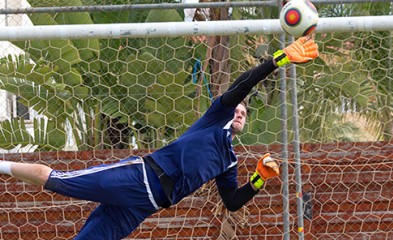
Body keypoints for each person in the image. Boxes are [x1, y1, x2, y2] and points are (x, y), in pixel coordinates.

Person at [0, 36, 318, 240]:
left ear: (245, 125)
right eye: (237, 108)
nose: (239, 112)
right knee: (58, 181)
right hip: (138, 178)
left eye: (243, 114)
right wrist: (278, 60)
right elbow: (243, 84)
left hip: (144, 205)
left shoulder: (229, 161)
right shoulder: (214, 120)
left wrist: (258, 181)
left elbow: (232, 203)